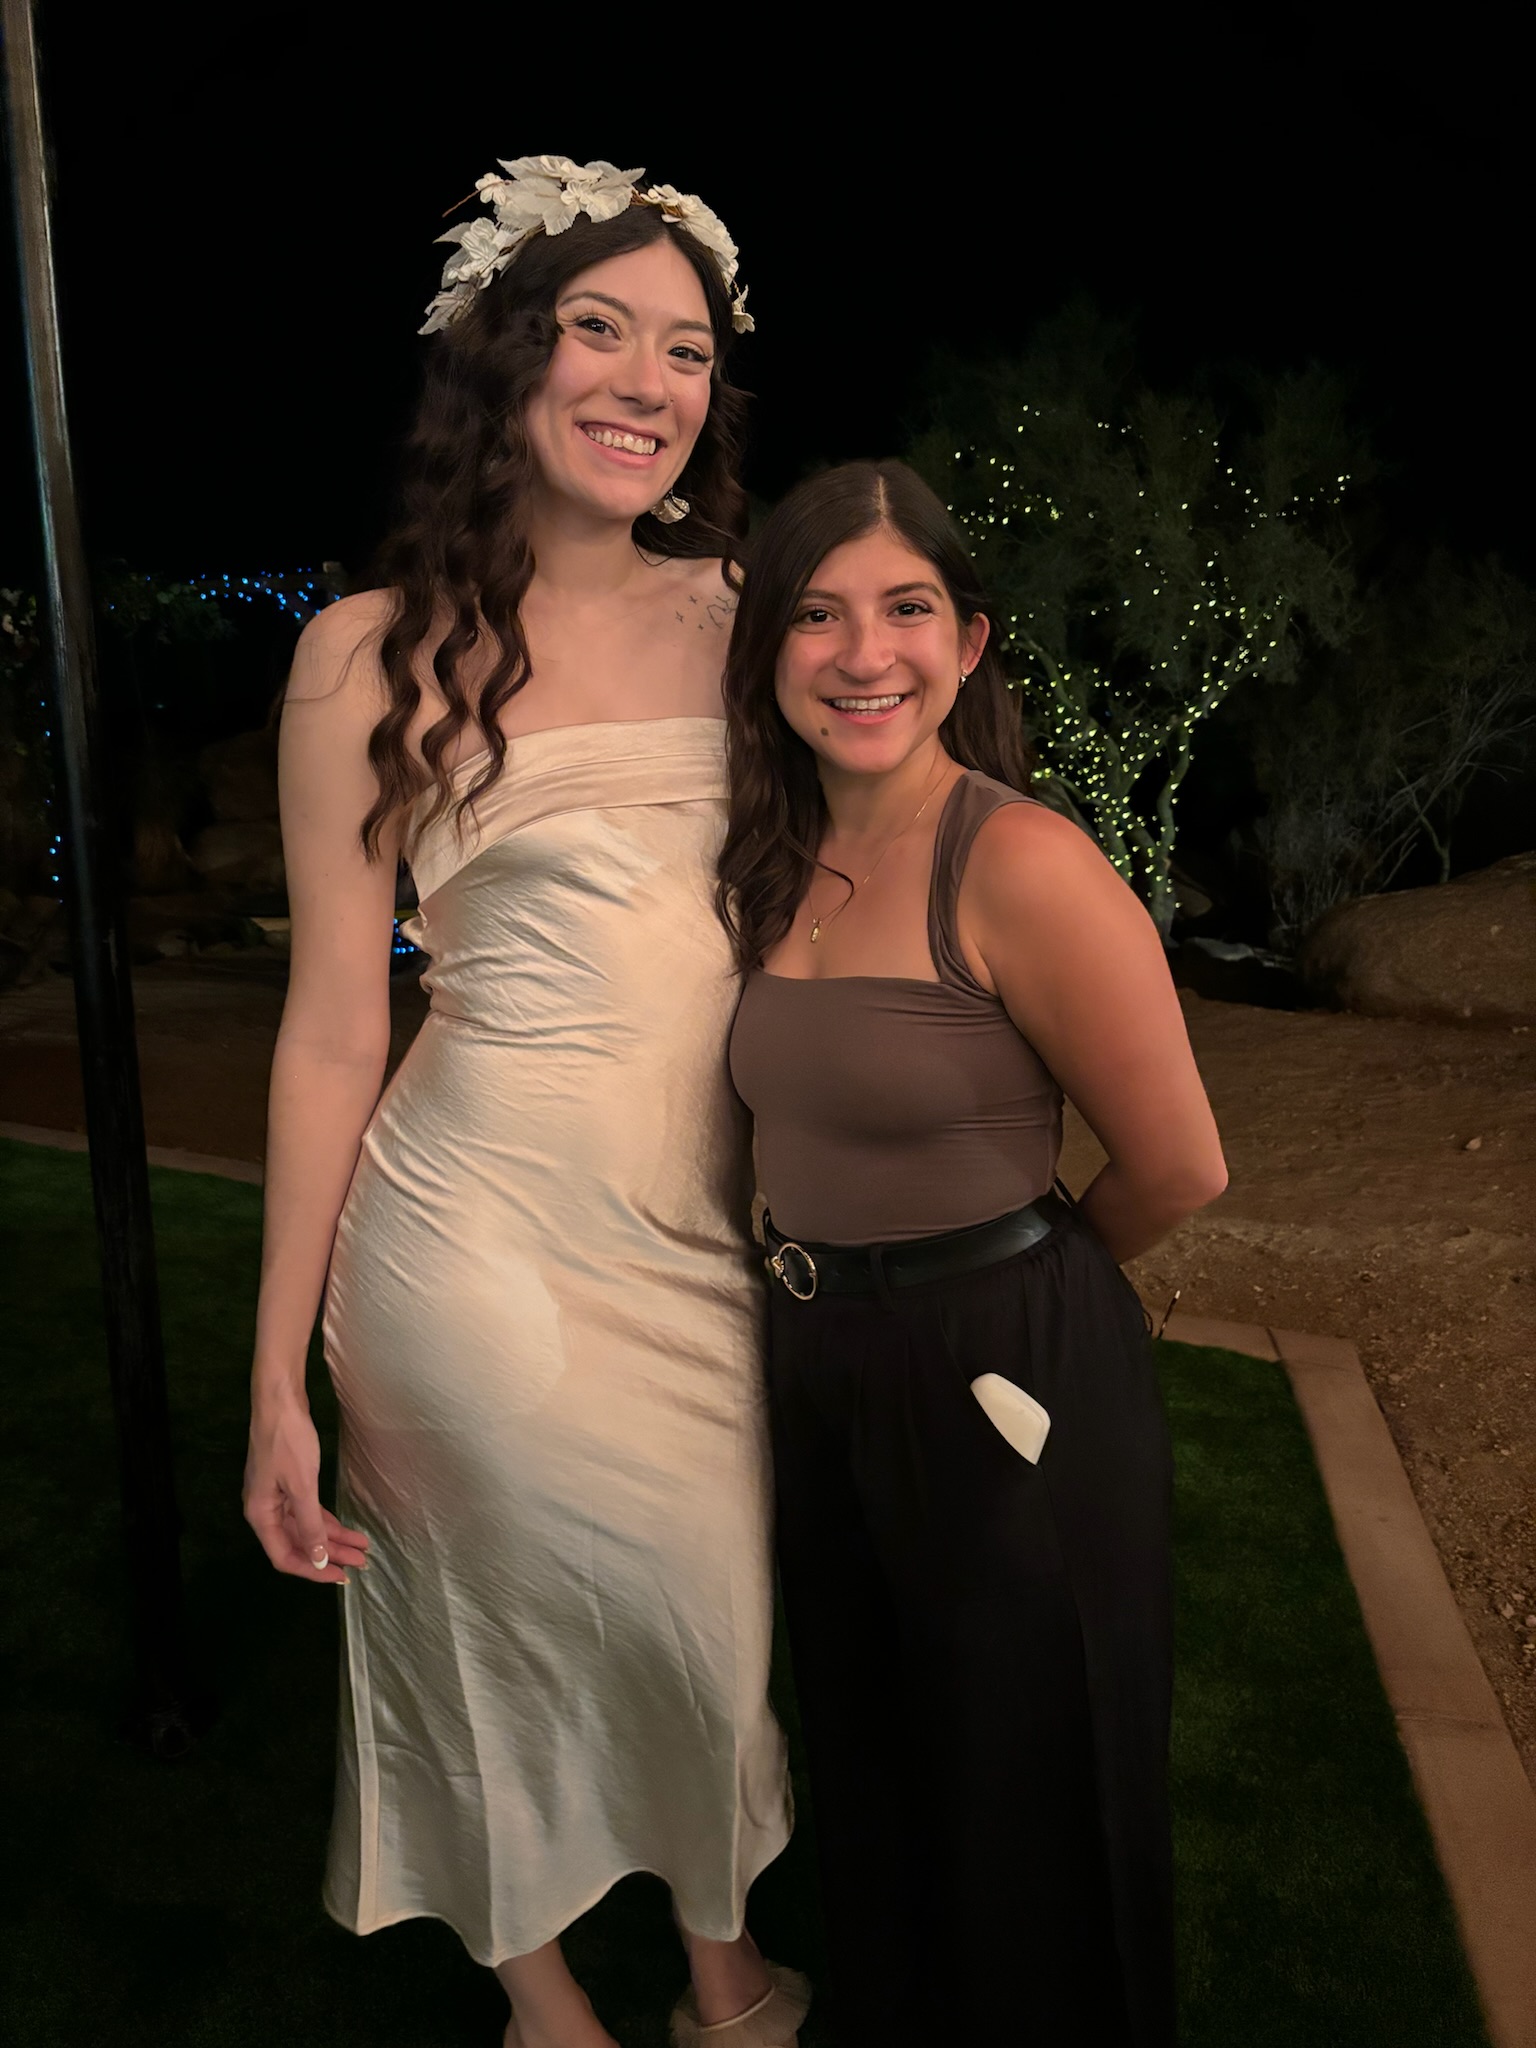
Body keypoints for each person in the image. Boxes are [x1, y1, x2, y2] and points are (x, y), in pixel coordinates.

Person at [242, 157, 807, 2048]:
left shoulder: (758, 615)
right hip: (467, 1244)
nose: (649, 383)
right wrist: (277, 1381)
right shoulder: (363, 654)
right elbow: (334, 1032)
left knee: (708, 1624)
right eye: (599, 330)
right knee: (477, 1627)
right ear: (505, 356)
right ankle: (545, 2001)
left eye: (688, 350)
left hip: (706, 1242)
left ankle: (722, 1959)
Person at [720, 459, 1229, 2046]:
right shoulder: (770, 859)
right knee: (876, 1760)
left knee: (1036, 1788)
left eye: (907, 609)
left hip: (1003, 1360)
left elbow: (1181, 1166)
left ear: (970, 641)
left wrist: (1017, 1292)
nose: (864, 654)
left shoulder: (1019, 862)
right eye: (817, 615)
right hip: (814, 1357)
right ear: (769, 647)